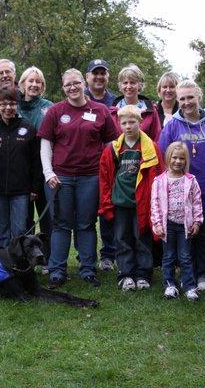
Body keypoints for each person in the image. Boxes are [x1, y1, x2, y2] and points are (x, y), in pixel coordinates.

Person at [38, 68, 119, 289]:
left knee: (86, 224)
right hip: (60, 178)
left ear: (84, 83)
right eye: (67, 85)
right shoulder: (55, 112)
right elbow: (46, 144)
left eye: (76, 83)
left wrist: (106, 173)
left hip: (90, 177)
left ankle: (87, 269)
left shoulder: (100, 110)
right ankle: (57, 271)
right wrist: (48, 173)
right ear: (63, 88)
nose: (72, 88)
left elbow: (111, 144)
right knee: (61, 225)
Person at [158, 80, 205, 292]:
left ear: (199, 97)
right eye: (182, 99)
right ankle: (186, 274)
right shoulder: (171, 127)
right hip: (179, 194)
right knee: (185, 236)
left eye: (190, 97)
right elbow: (164, 157)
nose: (187, 102)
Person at [98, 105, 163, 291]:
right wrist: (106, 203)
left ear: (140, 122)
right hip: (120, 202)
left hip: (142, 202)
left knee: (142, 237)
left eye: (132, 122)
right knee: (122, 238)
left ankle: (143, 274)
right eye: (124, 122)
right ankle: (126, 274)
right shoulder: (113, 149)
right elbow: (105, 177)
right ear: (119, 124)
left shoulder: (151, 147)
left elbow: (158, 175)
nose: (128, 126)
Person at [0, 86, 42, 248]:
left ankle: (20, 269)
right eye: (3, 104)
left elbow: (36, 161)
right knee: (2, 231)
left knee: (20, 231)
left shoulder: (28, 129)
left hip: (21, 191)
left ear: (17, 105)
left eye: (12, 104)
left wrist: (35, 187)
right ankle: (2, 269)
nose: (8, 108)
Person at [151, 141, 203, 301]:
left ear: (186, 161)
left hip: (185, 226)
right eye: (174, 157)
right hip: (168, 225)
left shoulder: (191, 180)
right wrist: (157, 224)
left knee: (185, 256)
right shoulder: (159, 181)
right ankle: (169, 285)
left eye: (181, 158)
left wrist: (197, 222)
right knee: (168, 256)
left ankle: (189, 286)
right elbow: (155, 204)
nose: (177, 161)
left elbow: (197, 202)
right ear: (168, 158)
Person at [84, 58, 117, 272]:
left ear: (107, 77)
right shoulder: (79, 98)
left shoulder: (115, 101)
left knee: (108, 212)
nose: (98, 77)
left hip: (111, 167)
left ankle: (108, 255)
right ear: (87, 77)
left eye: (102, 73)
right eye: (94, 73)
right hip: (85, 168)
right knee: (85, 215)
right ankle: (84, 254)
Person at [18, 66, 53, 260]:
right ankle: (26, 258)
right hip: (21, 169)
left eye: (38, 81)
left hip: (44, 167)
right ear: (22, 84)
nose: (34, 84)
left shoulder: (49, 107)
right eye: (30, 81)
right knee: (24, 219)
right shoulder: (14, 106)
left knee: (47, 218)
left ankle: (48, 258)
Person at [109, 64, 162, 142]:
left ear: (139, 85)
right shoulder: (112, 112)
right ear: (120, 86)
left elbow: (157, 138)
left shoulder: (151, 111)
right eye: (125, 83)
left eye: (132, 83)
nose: (129, 86)